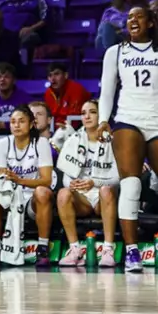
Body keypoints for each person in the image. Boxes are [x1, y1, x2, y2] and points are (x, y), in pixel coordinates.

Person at [98, 7, 158, 275]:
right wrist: (102, 119)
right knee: (130, 187)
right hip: (127, 120)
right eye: (129, 17)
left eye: (139, 17)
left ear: (151, 23)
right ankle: (132, 251)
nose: (132, 20)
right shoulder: (115, 52)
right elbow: (106, 90)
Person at [54, 100, 121, 267]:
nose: (87, 116)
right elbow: (66, 178)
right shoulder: (73, 139)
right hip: (81, 197)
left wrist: (94, 182)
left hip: (103, 195)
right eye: (84, 113)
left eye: (92, 112)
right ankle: (74, 249)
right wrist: (75, 184)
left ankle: (108, 250)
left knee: (106, 190)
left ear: (101, 116)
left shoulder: (113, 140)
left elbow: (118, 178)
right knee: (63, 193)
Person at [0, 105, 52, 268]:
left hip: (31, 197)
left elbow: (46, 180)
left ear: (31, 124)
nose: (16, 125)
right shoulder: (3, 143)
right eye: (13, 121)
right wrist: (13, 181)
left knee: (42, 192)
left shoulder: (41, 143)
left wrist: (19, 180)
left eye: (21, 121)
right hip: (10, 195)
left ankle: (42, 248)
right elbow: (0, 177)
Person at [43, 62, 89, 128]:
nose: (53, 79)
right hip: (55, 129)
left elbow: (75, 119)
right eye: (50, 75)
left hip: (77, 128)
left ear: (65, 75)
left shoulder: (76, 89)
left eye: (56, 74)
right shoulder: (48, 93)